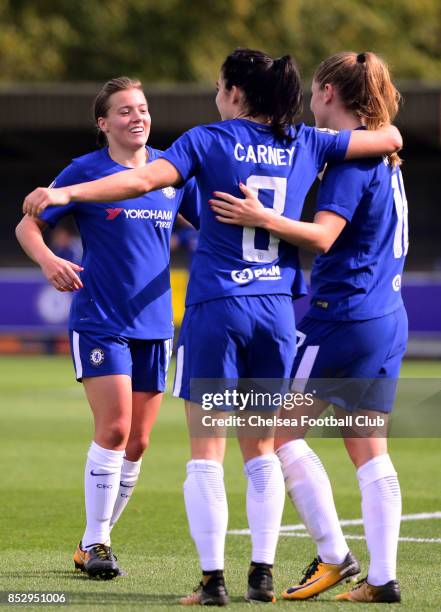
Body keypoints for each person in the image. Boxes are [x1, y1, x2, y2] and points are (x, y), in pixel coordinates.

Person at [21, 48, 402, 604]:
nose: (215, 95)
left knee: (207, 452)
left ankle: (213, 580)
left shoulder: (206, 139)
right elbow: (387, 138)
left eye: (220, 86)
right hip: (275, 311)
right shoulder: (308, 141)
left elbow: (140, 180)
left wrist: (67, 193)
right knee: (264, 450)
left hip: (217, 310)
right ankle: (262, 577)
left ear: (235, 93)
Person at [210, 51, 406, 604]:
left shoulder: (350, 163)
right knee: (369, 447)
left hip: (341, 318)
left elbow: (322, 236)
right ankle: (383, 579)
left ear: (325, 93)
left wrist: (261, 217)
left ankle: (334, 555)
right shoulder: (386, 154)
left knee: (272, 431)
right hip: (386, 318)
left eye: (313, 92)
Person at [16, 76, 198, 581]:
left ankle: (91, 543)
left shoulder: (171, 172)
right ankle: (98, 541)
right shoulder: (84, 171)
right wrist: (49, 259)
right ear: (103, 123)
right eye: (124, 111)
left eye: (142, 109)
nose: (137, 117)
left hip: (157, 325)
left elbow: (212, 222)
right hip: (100, 321)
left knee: (138, 443)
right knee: (114, 430)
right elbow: (28, 223)